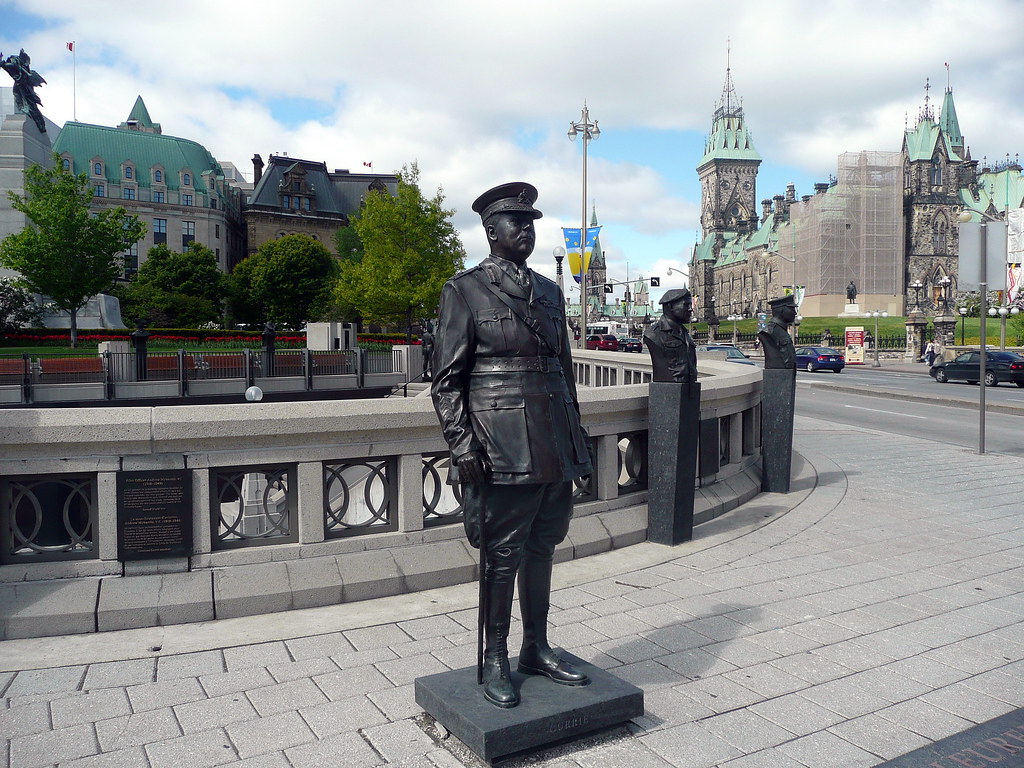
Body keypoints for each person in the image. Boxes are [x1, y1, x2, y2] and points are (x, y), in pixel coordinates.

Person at [430, 182, 592, 709]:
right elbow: (447, 381)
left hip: (551, 440)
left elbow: (564, 371)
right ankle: (496, 656)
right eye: (515, 221)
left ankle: (536, 647)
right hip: (500, 445)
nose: (526, 228)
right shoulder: (466, 290)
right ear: (489, 230)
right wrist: (462, 446)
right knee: (502, 556)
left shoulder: (549, 290)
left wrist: (577, 441)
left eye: (531, 221)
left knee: (543, 546)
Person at [643, 289, 697, 386]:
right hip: (669, 386)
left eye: (690, 305)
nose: (690, 309)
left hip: (689, 389)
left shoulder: (685, 334)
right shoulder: (653, 334)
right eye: (686, 305)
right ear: (670, 306)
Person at [0, 49, 47, 133]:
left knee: (30, 104)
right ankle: (24, 110)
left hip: (25, 87)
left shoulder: (23, 69)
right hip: (19, 85)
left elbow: (10, 65)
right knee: (18, 96)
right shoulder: (13, 66)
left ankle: (39, 122)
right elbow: (6, 65)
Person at [758, 295, 797, 369]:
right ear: (782, 310)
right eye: (792, 309)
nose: (795, 313)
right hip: (779, 373)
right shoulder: (770, 331)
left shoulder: (781, 330)